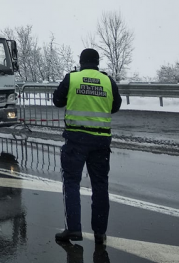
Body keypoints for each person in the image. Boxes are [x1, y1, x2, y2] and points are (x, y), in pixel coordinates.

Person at [52, 48, 122, 246]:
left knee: (72, 182)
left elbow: (57, 101)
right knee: (100, 185)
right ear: (97, 62)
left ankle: (73, 228)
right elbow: (115, 106)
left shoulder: (72, 78)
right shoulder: (108, 81)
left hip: (76, 140)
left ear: (81, 62)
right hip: (101, 142)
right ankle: (100, 233)